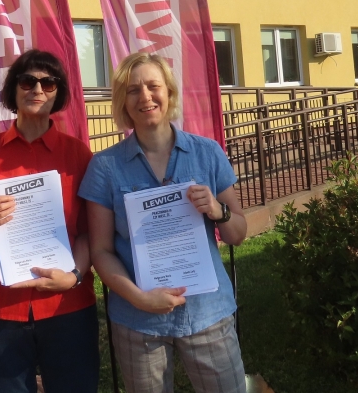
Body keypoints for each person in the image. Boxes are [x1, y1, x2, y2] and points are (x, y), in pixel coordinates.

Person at [79, 52, 248, 393]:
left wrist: (219, 211)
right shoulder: (105, 167)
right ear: (122, 101)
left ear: (168, 92)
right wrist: (139, 298)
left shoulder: (207, 152)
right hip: (138, 322)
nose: (145, 96)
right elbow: (101, 251)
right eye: (133, 90)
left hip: (207, 313)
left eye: (153, 86)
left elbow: (238, 234)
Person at [0, 49, 99, 393]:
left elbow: (91, 233)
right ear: (14, 90)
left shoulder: (78, 155)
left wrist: (74, 277)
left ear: (59, 92)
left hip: (65, 307)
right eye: (28, 81)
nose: (38, 89)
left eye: (49, 83)